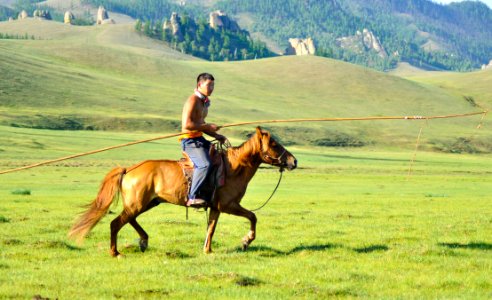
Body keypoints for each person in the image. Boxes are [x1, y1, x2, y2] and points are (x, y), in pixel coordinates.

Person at [180, 73, 226, 207]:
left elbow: (200, 124)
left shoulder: (203, 102)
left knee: (220, 158)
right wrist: (207, 126)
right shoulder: (193, 100)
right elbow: (187, 125)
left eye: (213, 85)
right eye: (208, 85)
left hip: (199, 138)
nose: (211, 88)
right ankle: (192, 197)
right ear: (199, 85)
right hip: (190, 141)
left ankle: (210, 193)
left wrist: (216, 136)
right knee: (205, 164)